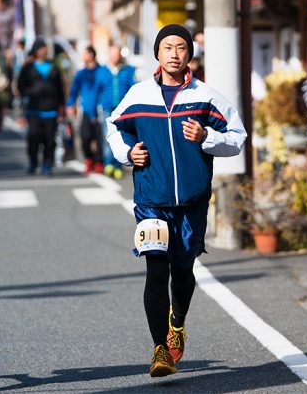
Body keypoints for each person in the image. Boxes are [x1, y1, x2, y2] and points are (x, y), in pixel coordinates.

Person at [106, 24, 246, 377]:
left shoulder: (206, 97)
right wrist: (127, 152)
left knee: (183, 271)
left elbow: (237, 137)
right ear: (157, 53)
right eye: (167, 47)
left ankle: (177, 323)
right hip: (151, 200)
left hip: (192, 203)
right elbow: (114, 126)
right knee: (156, 269)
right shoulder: (139, 95)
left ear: (189, 54)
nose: (174, 53)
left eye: (181, 47)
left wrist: (206, 136)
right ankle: (159, 350)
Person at [17, 38, 65, 175]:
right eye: (41, 48)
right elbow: (20, 86)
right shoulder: (28, 68)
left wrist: (62, 106)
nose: (44, 50)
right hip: (34, 109)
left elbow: (60, 88)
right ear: (36, 51)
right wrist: (29, 93)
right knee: (33, 137)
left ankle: (47, 164)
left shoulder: (53, 67)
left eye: (45, 48)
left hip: (51, 109)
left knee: (49, 139)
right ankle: (33, 162)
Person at [66, 46, 106, 174]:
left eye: (86, 53)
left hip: (100, 110)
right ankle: (89, 159)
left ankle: (99, 161)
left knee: (100, 137)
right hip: (86, 111)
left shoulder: (102, 71)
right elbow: (74, 91)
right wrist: (70, 104)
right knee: (85, 136)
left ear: (92, 55)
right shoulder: (81, 74)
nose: (83, 56)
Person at [99, 44, 136, 178]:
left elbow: (133, 88)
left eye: (117, 53)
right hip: (106, 107)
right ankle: (108, 163)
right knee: (107, 136)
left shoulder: (128, 70)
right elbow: (96, 90)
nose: (114, 56)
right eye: (112, 53)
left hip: (122, 109)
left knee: (121, 137)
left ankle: (118, 165)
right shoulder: (102, 71)